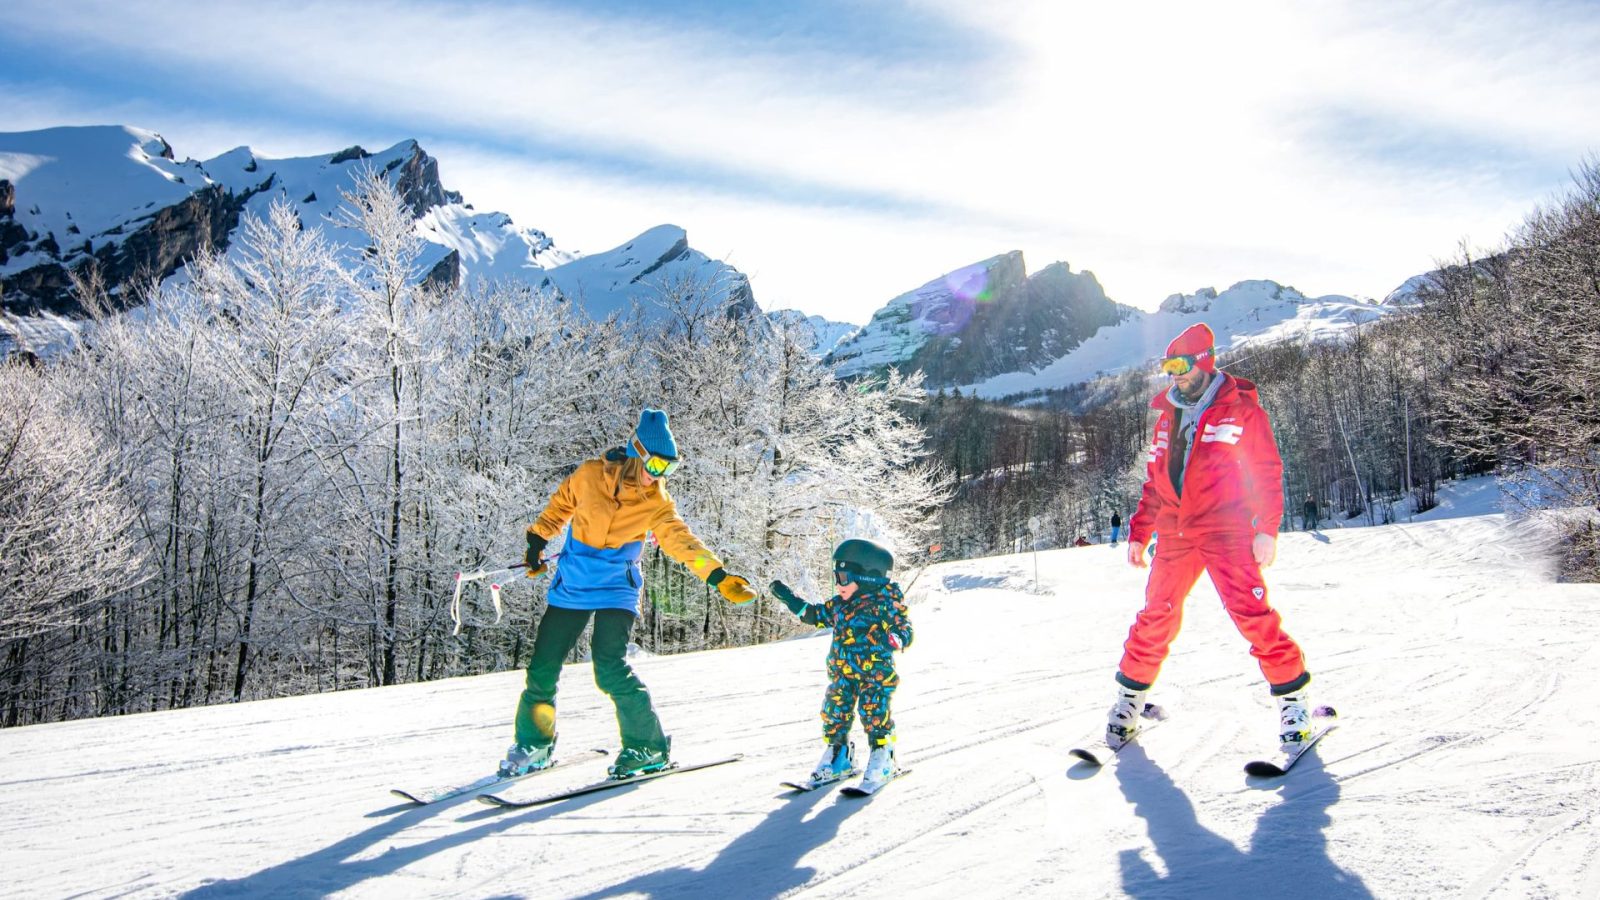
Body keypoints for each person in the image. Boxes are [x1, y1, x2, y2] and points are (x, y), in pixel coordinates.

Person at [502, 409, 758, 779]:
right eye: (655, 465)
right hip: (574, 583)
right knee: (543, 666)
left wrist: (717, 575)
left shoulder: (656, 501)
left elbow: (681, 540)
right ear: (637, 453)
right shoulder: (590, 475)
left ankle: (647, 747)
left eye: (668, 468)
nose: (659, 475)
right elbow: (560, 506)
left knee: (609, 668)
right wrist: (537, 541)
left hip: (617, 588)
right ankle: (534, 743)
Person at [1108, 323, 1313, 748]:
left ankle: (1293, 701)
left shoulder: (1243, 411)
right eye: (1168, 367)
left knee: (1251, 614)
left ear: (1205, 361)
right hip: (1175, 532)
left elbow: (1266, 471)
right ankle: (1129, 702)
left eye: (1181, 366)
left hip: (1226, 529)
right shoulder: (1167, 416)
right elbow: (1155, 481)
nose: (1175, 375)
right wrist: (1139, 531)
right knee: (1156, 615)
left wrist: (1266, 528)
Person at [770, 538, 913, 791]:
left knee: (873, 712)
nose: (838, 584)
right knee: (834, 711)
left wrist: (896, 637)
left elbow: (904, 628)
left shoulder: (885, 604)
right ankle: (839, 756)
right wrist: (789, 598)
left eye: (844, 578)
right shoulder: (839, 606)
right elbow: (814, 615)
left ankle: (883, 756)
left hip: (875, 676)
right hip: (842, 675)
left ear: (867, 578)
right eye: (836, 577)